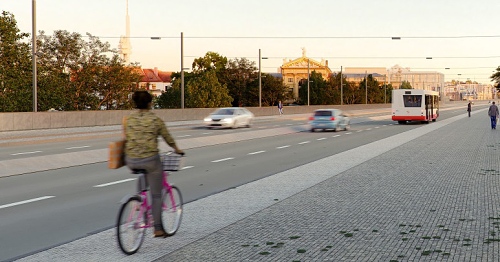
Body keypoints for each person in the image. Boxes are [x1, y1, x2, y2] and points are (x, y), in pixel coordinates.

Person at [124, 90, 184, 238]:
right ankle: (157, 228)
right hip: (151, 159)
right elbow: (167, 137)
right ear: (150, 103)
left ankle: (139, 200)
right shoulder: (155, 120)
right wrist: (177, 149)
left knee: (142, 174)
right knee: (156, 195)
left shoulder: (129, 119)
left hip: (131, 160)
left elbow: (127, 136)